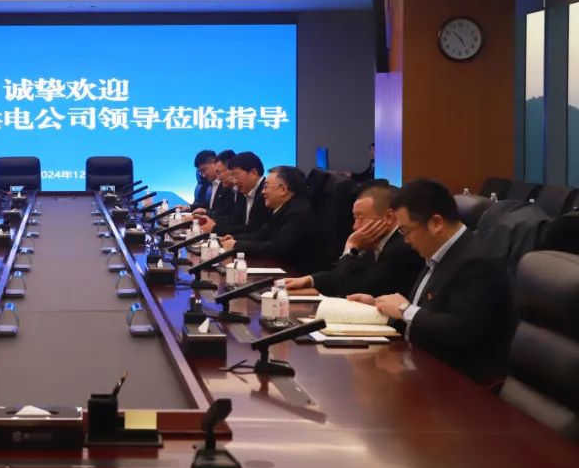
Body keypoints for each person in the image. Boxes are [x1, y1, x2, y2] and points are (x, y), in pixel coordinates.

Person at [347, 178, 513, 386]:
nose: (406, 240)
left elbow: (462, 332)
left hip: (458, 384)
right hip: (419, 365)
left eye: (406, 231)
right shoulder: (438, 253)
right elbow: (426, 313)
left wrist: (405, 310)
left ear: (436, 223)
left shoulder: (477, 263)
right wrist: (379, 306)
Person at [286, 184, 423, 297]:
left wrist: (351, 247)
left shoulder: (401, 249)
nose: (355, 226)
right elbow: (345, 275)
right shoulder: (375, 242)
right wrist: (310, 280)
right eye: (355, 218)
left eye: (361, 218)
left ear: (389, 218)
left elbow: (353, 287)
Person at [215, 165, 328, 276]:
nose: (263, 192)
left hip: (297, 275)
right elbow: (262, 234)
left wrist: (237, 245)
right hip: (282, 269)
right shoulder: (283, 208)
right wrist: (234, 239)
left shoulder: (298, 213)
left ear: (283, 189)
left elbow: (277, 248)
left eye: (266, 186)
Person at [199, 151, 270, 236]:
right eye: (232, 176)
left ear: (254, 173)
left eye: (236, 175)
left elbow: (256, 232)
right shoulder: (245, 192)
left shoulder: (266, 194)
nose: (234, 181)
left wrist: (215, 228)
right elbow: (235, 221)